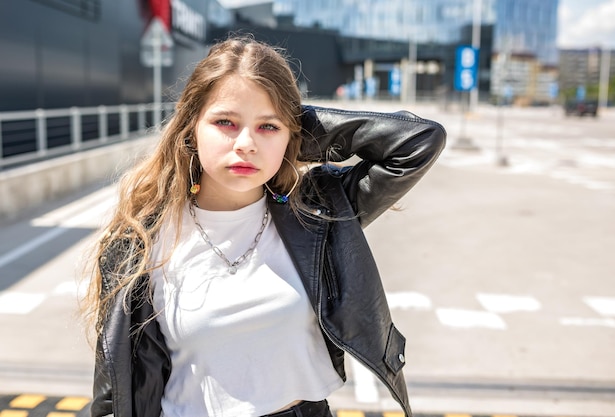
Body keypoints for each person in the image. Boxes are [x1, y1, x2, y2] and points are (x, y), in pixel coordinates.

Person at [82, 35, 446, 417]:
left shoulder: (316, 214)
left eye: (267, 127)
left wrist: (293, 129)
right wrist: (272, 124)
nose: (246, 143)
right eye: (225, 121)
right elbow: (114, 389)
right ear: (191, 127)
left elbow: (418, 142)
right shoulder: (140, 240)